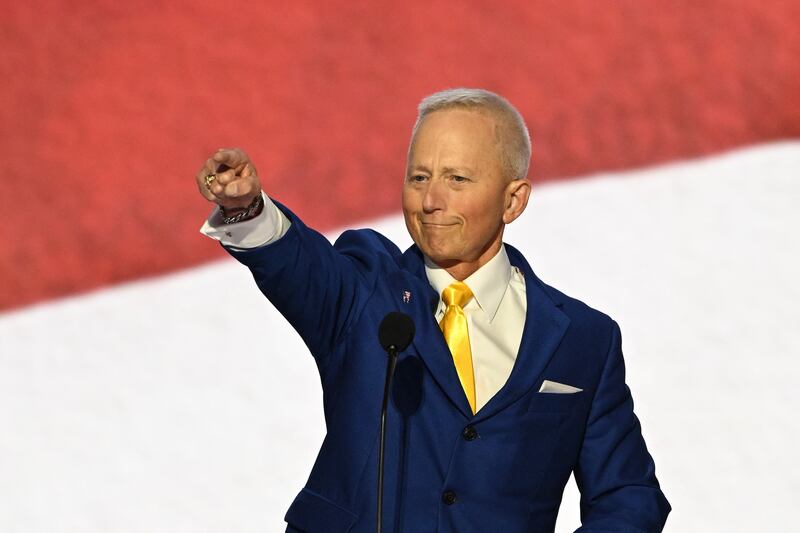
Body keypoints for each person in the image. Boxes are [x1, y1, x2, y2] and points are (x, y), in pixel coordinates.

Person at [195, 88, 670, 532]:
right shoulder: (364, 292)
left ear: (513, 200)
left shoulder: (583, 338)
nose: (430, 201)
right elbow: (299, 265)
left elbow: (627, 493)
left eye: (457, 179)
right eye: (419, 177)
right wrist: (247, 208)